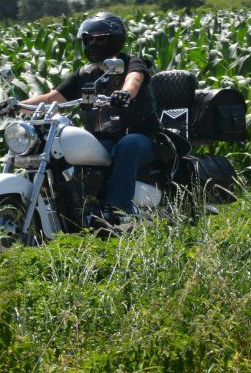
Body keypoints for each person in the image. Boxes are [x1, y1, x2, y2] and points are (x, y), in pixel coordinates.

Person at [19, 13, 157, 228]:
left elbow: (135, 79)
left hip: (141, 137)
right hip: (102, 139)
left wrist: (125, 93)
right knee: (64, 148)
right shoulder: (85, 73)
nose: (92, 43)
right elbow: (51, 98)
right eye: (88, 39)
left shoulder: (129, 63)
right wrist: (18, 105)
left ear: (115, 39)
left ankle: (118, 210)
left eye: (99, 39)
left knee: (127, 144)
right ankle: (72, 209)